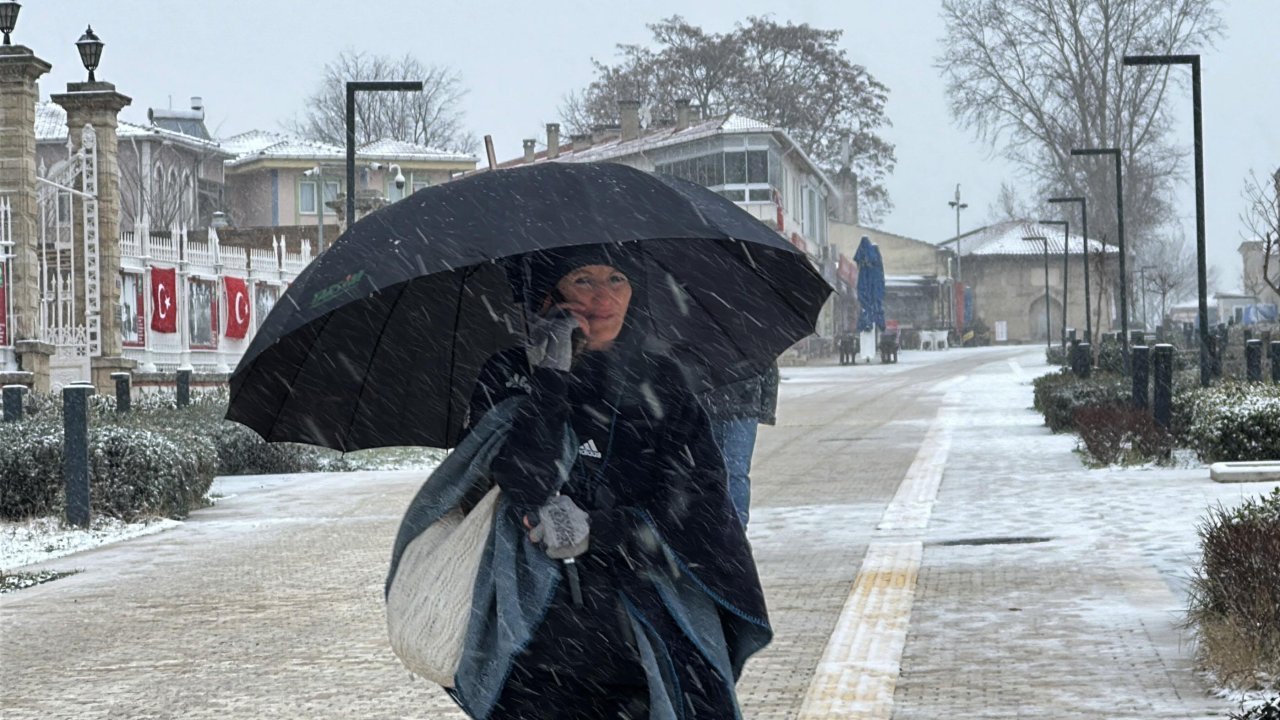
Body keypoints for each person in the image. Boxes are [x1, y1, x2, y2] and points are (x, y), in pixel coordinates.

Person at [459, 244, 772, 720]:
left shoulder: (663, 381)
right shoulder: (508, 376)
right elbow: (513, 482)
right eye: (583, 279)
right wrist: (551, 378)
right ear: (549, 294)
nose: (604, 297)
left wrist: (604, 531)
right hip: (541, 639)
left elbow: (699, 500)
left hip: (646, 621)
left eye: (617, 279)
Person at [696, 363, 778, 528]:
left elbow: (768, 364)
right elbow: (768, 363)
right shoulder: (747, 339)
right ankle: (732, 529)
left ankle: (730, 529)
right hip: (734, 406)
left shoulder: (703, 340)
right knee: (731, 471)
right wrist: (766, 408)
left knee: (724, 471)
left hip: (721, 404)